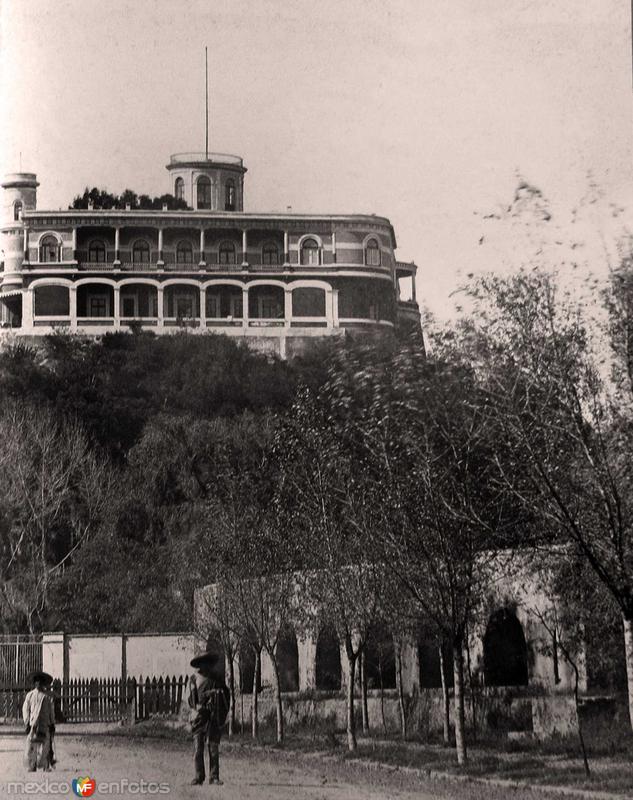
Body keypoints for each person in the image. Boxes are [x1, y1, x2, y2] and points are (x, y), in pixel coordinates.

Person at [188, 652, 230, 786]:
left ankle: (214, 777)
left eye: (208, 662)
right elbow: (190, 697)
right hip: (198, 716)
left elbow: (225, 695)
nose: (205, 665)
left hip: (213, 716)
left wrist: (217, 697)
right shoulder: (193, 679)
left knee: (213, 747)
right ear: (199, 664)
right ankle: (199, 776)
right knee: (198, 748)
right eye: (202, 662)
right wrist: (196, 706)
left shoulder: (216, 679)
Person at [22, 671, 55, 772]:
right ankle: (32, 765)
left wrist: (52, 723)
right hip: (33, 724)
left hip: (45, 724)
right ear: (34, 683)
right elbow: (25, 709)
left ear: (44, 683)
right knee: (31, 745)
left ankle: (46, 764)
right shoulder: (30, 695)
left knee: (45, 745)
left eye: (41, 682)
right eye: (37, 681)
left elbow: (51, 711)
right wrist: (27, 722)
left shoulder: (47, 697)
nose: (39, 684)